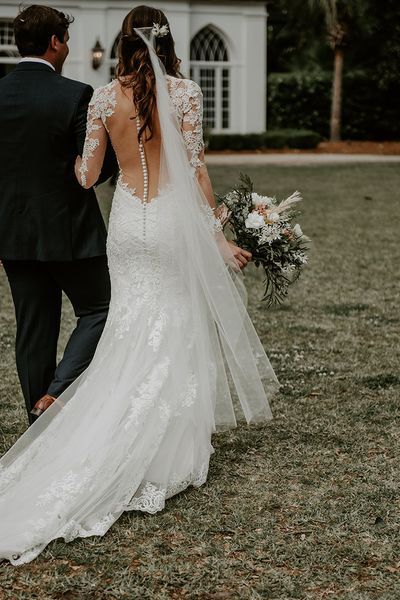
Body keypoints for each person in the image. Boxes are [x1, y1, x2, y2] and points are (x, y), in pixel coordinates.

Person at [0, 5, 278, 565]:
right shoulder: (186, 94)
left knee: (129, 323)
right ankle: (170, 446)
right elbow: (195, 168)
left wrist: (72, 158)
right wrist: (218, 235)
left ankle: (91, 420)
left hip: (129, 221)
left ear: (122, 44)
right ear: (167, 41)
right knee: (173, 320)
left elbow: (85, 175)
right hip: (172, 218)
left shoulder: (104, 98)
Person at [0, 5, 116, 424]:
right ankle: (57, 393)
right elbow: (99, 166)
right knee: (102, 308)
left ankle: (38, 423)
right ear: (54, 42)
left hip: (13, 238)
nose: (67, 47)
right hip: (73, 235)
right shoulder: (75, 94)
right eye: (66, 39)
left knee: (33, 330)